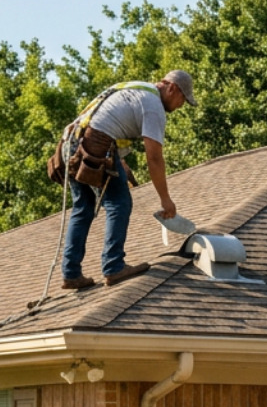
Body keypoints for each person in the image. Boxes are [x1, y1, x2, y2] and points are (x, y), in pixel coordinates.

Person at [59, 70, 196, 290]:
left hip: (72, 144)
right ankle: (114, 267)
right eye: (183, 99)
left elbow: (110, 119)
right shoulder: (153, 106)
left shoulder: (136, 88)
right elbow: (154, 157)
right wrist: (165, 200)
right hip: (95, 145)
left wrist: (119, 160)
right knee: (119, 203)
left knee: (83, 207)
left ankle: (71, 273)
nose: (181, 106)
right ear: (172, 88)